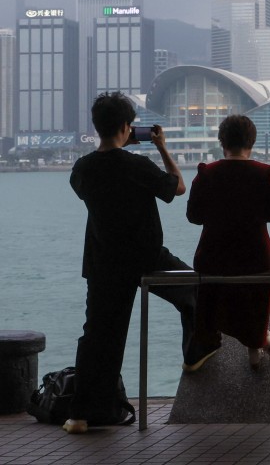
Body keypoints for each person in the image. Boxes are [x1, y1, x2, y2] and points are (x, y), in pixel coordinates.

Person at [64, 92, 199, 434]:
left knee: (97, 337)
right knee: (196, 288)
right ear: (127, 127)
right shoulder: (137, 166)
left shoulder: (82, 169)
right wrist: (162, 147)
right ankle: (194, 354)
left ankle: (81, 415)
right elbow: (178, 188)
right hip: (147, 257)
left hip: (103, 262)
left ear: (97, 127)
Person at [186, 115, 270, 370]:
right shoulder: (266, 174)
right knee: (255, 300)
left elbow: (194, 217)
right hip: (255, 253)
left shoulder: (206, 174)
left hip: (214, 253)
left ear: (222, 142)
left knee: (216, 299)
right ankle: (256, 347)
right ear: (251, 142)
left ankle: (208, 343)